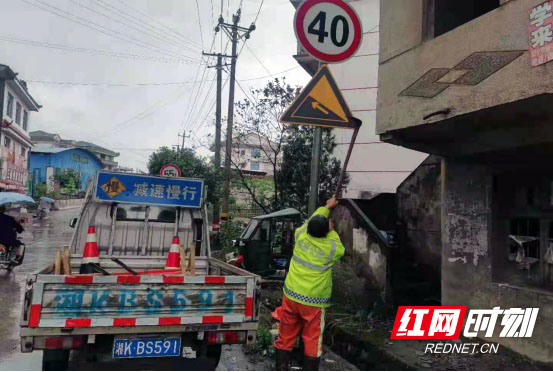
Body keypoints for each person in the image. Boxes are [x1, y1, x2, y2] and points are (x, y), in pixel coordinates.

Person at [274, 196, 344, 371]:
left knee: (286, 334)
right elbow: (340, 247)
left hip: (291, 295)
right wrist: (332, 229)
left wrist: (326, 207)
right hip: (313, 301)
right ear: (327, 231)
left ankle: (281, 367)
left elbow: (310, 221)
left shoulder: (301, 235)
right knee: (312, 339)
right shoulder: (331, 247)